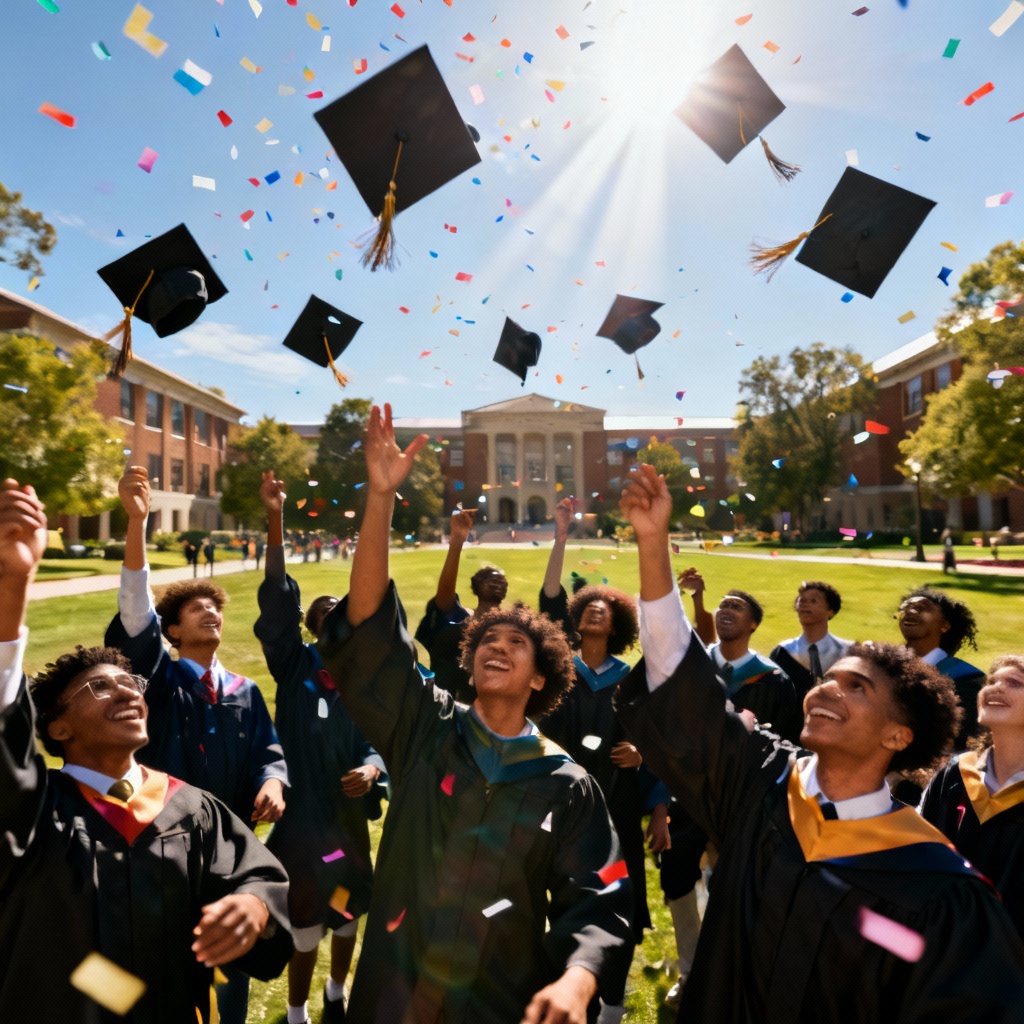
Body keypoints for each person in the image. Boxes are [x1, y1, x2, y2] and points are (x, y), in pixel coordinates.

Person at [614, 462, 1024, 1024]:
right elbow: (681, 688)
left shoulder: (932, 881)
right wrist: (652, 541)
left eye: (857, 687)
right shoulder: (758, 785)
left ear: (898, 734)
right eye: (830, 679)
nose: (827, 689)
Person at [317, 405, 634, 1024]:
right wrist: (379, 500)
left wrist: (577, 978)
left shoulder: (564, 781)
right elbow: (372, 633)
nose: (498, 645)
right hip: (396, 987)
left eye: (517, 643)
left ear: (540, 677)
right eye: (488, 639)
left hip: (500, 996)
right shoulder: (425, 728)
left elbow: (600, 890)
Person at [0, 478, 293, 1023]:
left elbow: (259, 874)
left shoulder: (193, 810)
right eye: (99, 687)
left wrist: (253, 907)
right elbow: (4, 731)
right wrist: (13, 587)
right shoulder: (34, 811)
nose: (128, 693)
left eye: (131, 684)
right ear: (57, 727)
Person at [104, 466, 289, 1024]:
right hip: (161, 845)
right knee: (162, 967)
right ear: (173, 632)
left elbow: (268, 750)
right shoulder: (157, 681)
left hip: (229, 850)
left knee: (231, 965)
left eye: (216, 608)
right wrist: (137, 524)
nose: (211, 612)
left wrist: (273, 782)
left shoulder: (244, 691)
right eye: (195, 610)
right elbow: (135, 610)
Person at [255, 471, 388, 1024]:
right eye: (321, 609)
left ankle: (336, 993)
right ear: (310, 624)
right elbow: (277, 606)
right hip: (303, 814)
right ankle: (295, 1011)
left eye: (340, 608)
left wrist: (373, 770)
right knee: (306, 917)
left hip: (346, 819)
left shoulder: (364, 679)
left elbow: (377, 742)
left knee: (348, 912)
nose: (332, 612)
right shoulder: (294, 665)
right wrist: (276, 518)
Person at [537, 497, 664, 1024]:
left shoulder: (630, 682)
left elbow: (660, 738)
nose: (595, 610)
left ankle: (611, 1007)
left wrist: (645, 756)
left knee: (618, 899)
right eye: (588, 606)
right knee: (557, 900)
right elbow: (549, 597)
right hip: (555, 807)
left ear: (617, 625)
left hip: (616, 812)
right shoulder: (557, 672)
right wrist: (561, 535)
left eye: (605, 609)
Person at [921, 655, 1024, 940]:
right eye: (992, 681)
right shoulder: (956, 773)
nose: (995, 687)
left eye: (1014, 683)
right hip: (941, 941)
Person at [680, 568, 801, 743]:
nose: (726, 610)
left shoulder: (773, 679)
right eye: (723, 606)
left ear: (753, 623)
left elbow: (783, 735)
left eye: (736, 607)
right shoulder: (692, 666)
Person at [414, 507, 508, 703]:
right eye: (489, 578)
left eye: (500, 579)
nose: (496, 581)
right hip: (449, 708)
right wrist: (457, 541)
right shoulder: (458, 618)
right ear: (475, 586)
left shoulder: (514, 629)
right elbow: (444, 598)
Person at [897, 586, 984, 749]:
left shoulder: (965, 679)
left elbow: (964, 739)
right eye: (906, 608)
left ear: (945, 625)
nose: (910, 611)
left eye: (922, 608)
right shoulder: (881, 667)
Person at [769, 580, 852, 701]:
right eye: (801, 600)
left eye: (813, 601)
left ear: (831, 611)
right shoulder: (782, 653)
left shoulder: (848, 652)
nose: (804, 604)